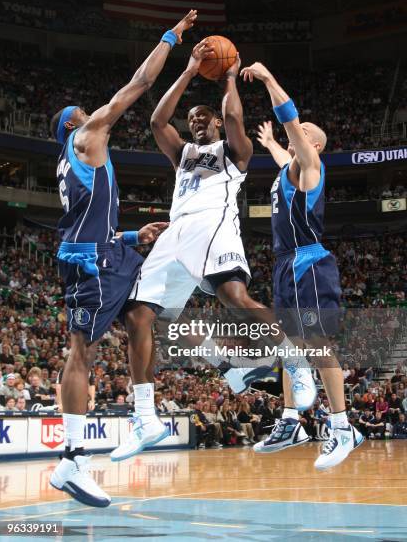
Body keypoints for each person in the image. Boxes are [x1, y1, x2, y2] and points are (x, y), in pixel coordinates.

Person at [110, 43, 314, 462]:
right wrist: (187, 71)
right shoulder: (183, 153)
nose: (196, 122)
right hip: (176, 234)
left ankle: (295, 360)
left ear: (218, 123)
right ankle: (147, 418)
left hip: (214, 225)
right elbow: (156, 119)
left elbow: (237, 116)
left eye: (203, 117)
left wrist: (226, 77)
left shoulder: (233, 154)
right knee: (139, 316)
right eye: (192, 120)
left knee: (234, 298)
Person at [49, 10, 197, 508]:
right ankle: (71, 460)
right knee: (81, 353)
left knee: (141, 313)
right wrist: (170, 39)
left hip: (109, 252)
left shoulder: (80, 159)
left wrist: (134, 233)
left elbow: (93, 221)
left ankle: (145, 414)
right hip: (92, 263)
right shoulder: (87, 137)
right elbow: (137, 84)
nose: (91, 110)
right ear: (74, 124)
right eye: (81, 110)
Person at [241, 62, 363, 469]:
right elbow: (281, 153)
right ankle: (292, 421)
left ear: (311, 143)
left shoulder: (311, 166)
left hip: (309, 262)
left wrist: (269, 78)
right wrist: (271, 141)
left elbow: (290, 118)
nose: (298, 130)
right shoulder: (289, 168)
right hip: (286, 265)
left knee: (317, 345)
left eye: (303, 130)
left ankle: (342, 426)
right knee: (290, 349)